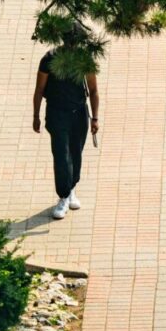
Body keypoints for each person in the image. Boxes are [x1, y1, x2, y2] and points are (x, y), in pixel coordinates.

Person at [33, 46, 99, 220]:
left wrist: (95, 118)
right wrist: (36, 115)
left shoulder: (84, 58)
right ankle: (63, 196)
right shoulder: (49, 59)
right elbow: (39, 89)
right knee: (61, 154)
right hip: (56, 113)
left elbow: (93, 90)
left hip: (78, 113)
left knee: (75, 153)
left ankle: (71, 188)